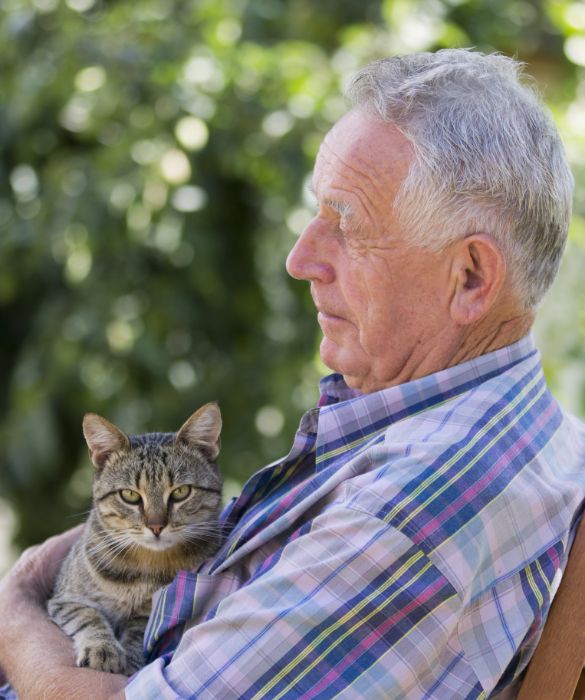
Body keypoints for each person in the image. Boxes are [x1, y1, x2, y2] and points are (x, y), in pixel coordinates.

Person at [0, 48, 584, 700]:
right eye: (315, 213)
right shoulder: (522, 430)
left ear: (470, 277)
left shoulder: (413, 505)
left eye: (346, 224)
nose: (300, 258)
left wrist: (17, 604)